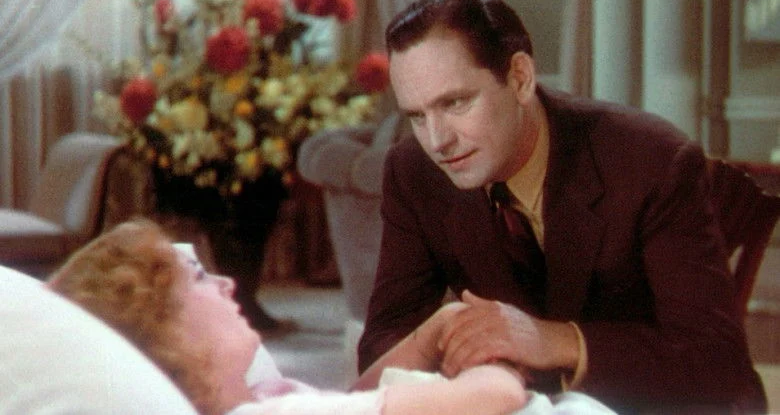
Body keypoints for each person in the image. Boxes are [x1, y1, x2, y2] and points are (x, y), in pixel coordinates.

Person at [356, 0, 767, 415]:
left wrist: (554, 341)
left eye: (455, 103)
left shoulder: (651, 162)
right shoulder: (413, 171)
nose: (438, 140)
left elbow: (717, 365)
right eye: (417, 116)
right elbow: (381, 344)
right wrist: (445, 342)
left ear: (520, 78)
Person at [46, 219, 614, 415]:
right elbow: (492, 399)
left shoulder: (265, 398)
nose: (226, 283)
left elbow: (357, 401)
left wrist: (431, 335)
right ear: (168, 338)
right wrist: (499, 361)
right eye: (198, 279)